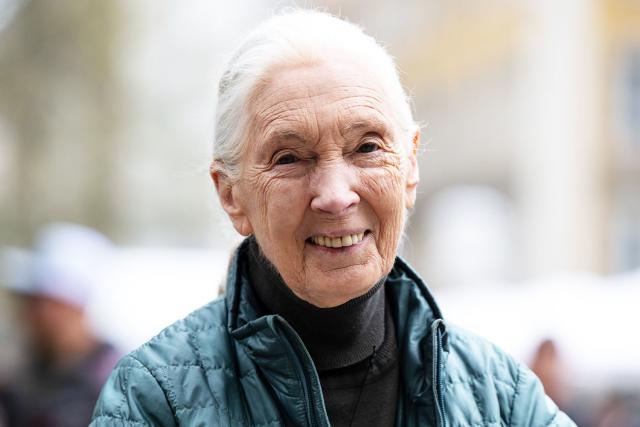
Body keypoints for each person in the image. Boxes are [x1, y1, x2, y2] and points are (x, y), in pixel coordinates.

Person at [91, 10, 576, 426]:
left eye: (367, 147)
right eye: (289, 158)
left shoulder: (502, 398)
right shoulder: (157, 400)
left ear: (409, 168)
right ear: (231, 195)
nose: (336, 195)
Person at [0, 223, 121, 427]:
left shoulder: (114, 387)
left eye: (37, 302)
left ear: (70, 306)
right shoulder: (25, 377)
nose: (27, 314)